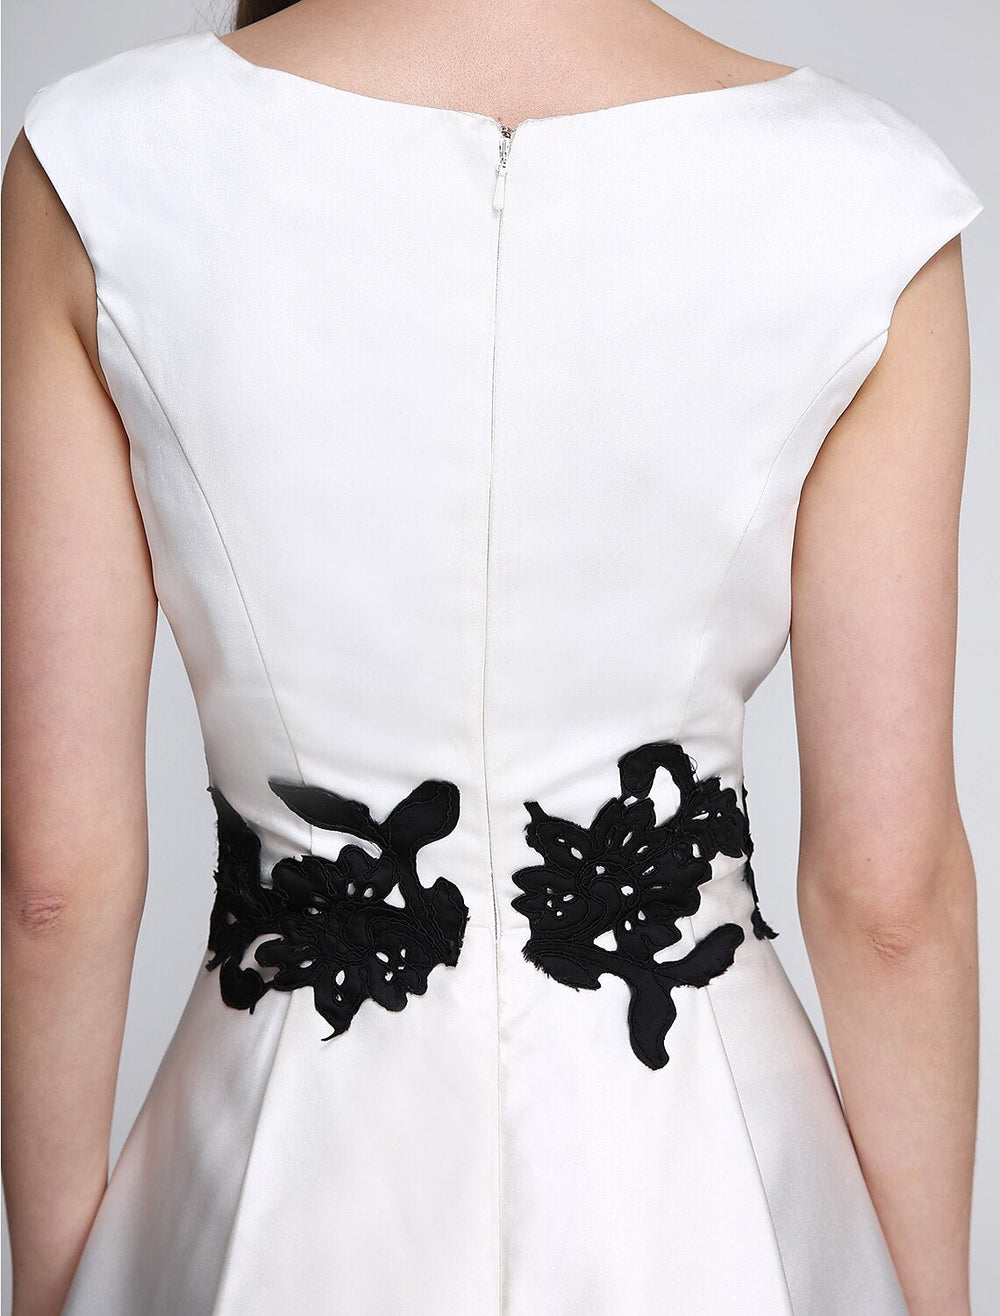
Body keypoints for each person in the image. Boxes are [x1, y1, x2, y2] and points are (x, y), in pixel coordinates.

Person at [2, 1, 983, 1312]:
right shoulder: (865, 197)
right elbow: (890, 898)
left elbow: (53, 883)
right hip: (700, 1186)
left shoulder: (101, 163)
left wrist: (57, 1283)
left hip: (280, 1173)